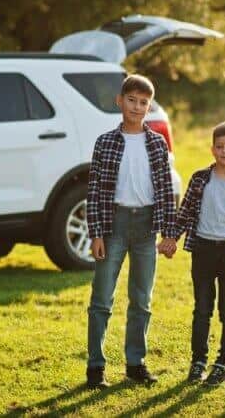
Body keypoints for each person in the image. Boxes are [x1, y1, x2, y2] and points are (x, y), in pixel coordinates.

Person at [85, 74, 177, 389]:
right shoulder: (105, 142)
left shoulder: (156, 142)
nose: (137, 107)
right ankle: (95, 367)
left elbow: (166, 190)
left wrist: (169, 232)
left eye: (143, 103)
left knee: (142, 299)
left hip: (146, 228)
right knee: (101, 299)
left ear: (148, 106)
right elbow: (95, 192)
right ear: (120, 101)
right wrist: (96, 233)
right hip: (114, 227)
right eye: (132, 100)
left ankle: (135, 363)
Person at [169, 121, 225, 386]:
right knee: (202, 308)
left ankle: (223, 364)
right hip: (203, 250)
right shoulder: (200, 179)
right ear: (212, 149)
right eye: (219, 146)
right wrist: (172, 237)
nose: (224, 151)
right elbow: (184, 213)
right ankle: (198, 361)